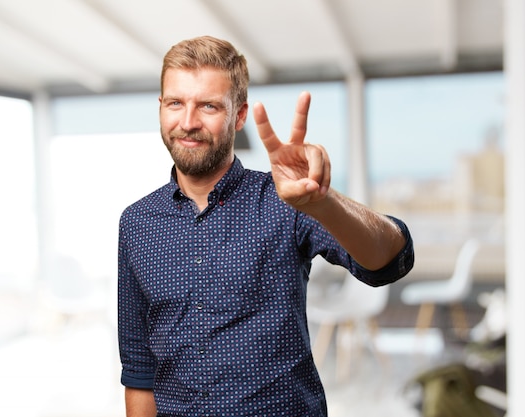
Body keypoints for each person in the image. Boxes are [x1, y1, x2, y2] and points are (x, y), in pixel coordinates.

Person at [117, 35, 414, 417]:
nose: (188, 122)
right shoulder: (137, 223)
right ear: (161, 107)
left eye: (208, 106)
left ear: (239, 116)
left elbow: (391, 260)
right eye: (176, 103)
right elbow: (140, 370)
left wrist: (324, 202)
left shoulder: (285, 199)